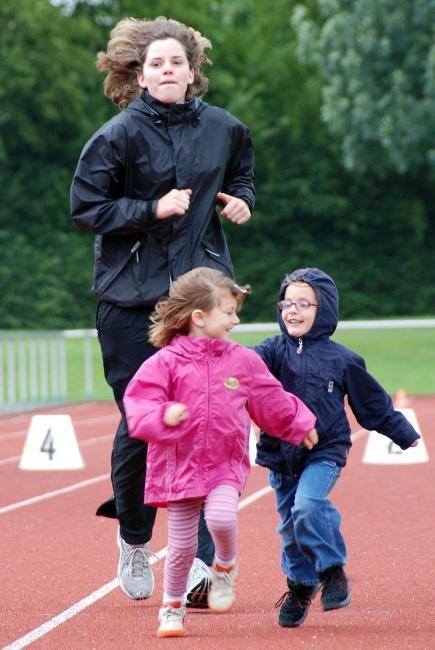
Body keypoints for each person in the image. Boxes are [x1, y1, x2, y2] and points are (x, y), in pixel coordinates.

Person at [70, 16, 255, 604]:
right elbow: (85, 208)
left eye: (177, 62)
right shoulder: (117, 135)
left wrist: (242, 200)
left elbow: (243, 172)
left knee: (198, 420)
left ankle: (197, 561)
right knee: (145, 423)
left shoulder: (225, 128)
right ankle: (132, 539)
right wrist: (150, 208)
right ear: (140, 74)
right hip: (129, 299)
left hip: (198, 295)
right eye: (156, 64)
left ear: (192, 71)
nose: (167, 70)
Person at [122, 267, 318, 638]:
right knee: (180, 547)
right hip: (178, 466)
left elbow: (269, 398)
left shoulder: (241, 360)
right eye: (228, 312)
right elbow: (139, 406)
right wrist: (165, 414)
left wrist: (299, 422)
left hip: (224, 464)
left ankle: (224, 568)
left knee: (223, 519)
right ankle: (172, 608)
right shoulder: (164, 362)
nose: (235, 319)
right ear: (199, 317)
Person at [254, 267, 421, 628]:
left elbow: (373, 404)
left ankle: (332, 571)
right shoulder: (268, 352)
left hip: (324, 451)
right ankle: (300, 586)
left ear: (324, 309)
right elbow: (239, 374)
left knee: (309, 505)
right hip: (280, 456)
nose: (292, 311)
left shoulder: (342, 359)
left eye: (304, 303)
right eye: (287, 302)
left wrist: (405, 434)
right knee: (290, 529)